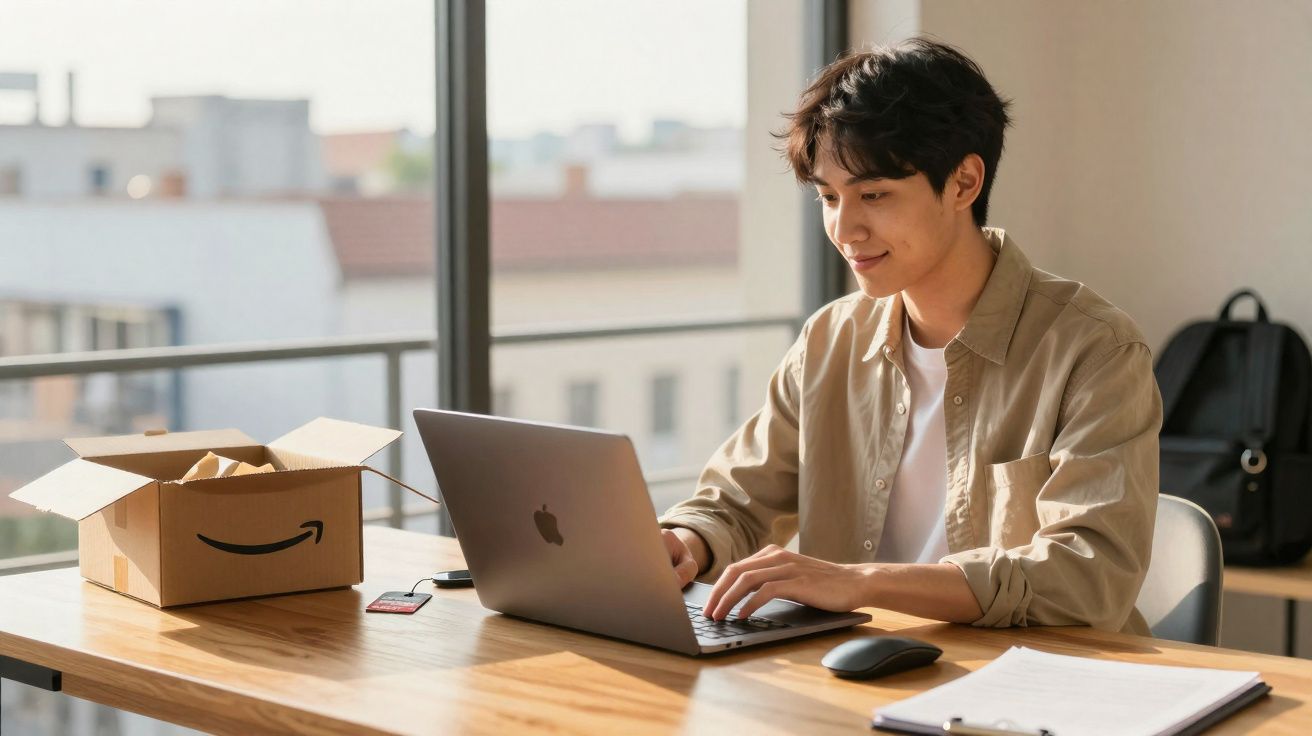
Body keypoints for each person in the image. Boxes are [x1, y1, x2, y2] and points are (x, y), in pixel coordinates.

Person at [657, 37, 1162, 634]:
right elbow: (735, 502)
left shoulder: (1094, 350)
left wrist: (860, 583)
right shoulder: (830, 341)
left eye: (873, 194)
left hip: (1032, 691)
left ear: (963, 184)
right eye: (827, 197)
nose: (845, 229)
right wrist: (687, 541)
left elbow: (1087, 575)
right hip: (846, 678)